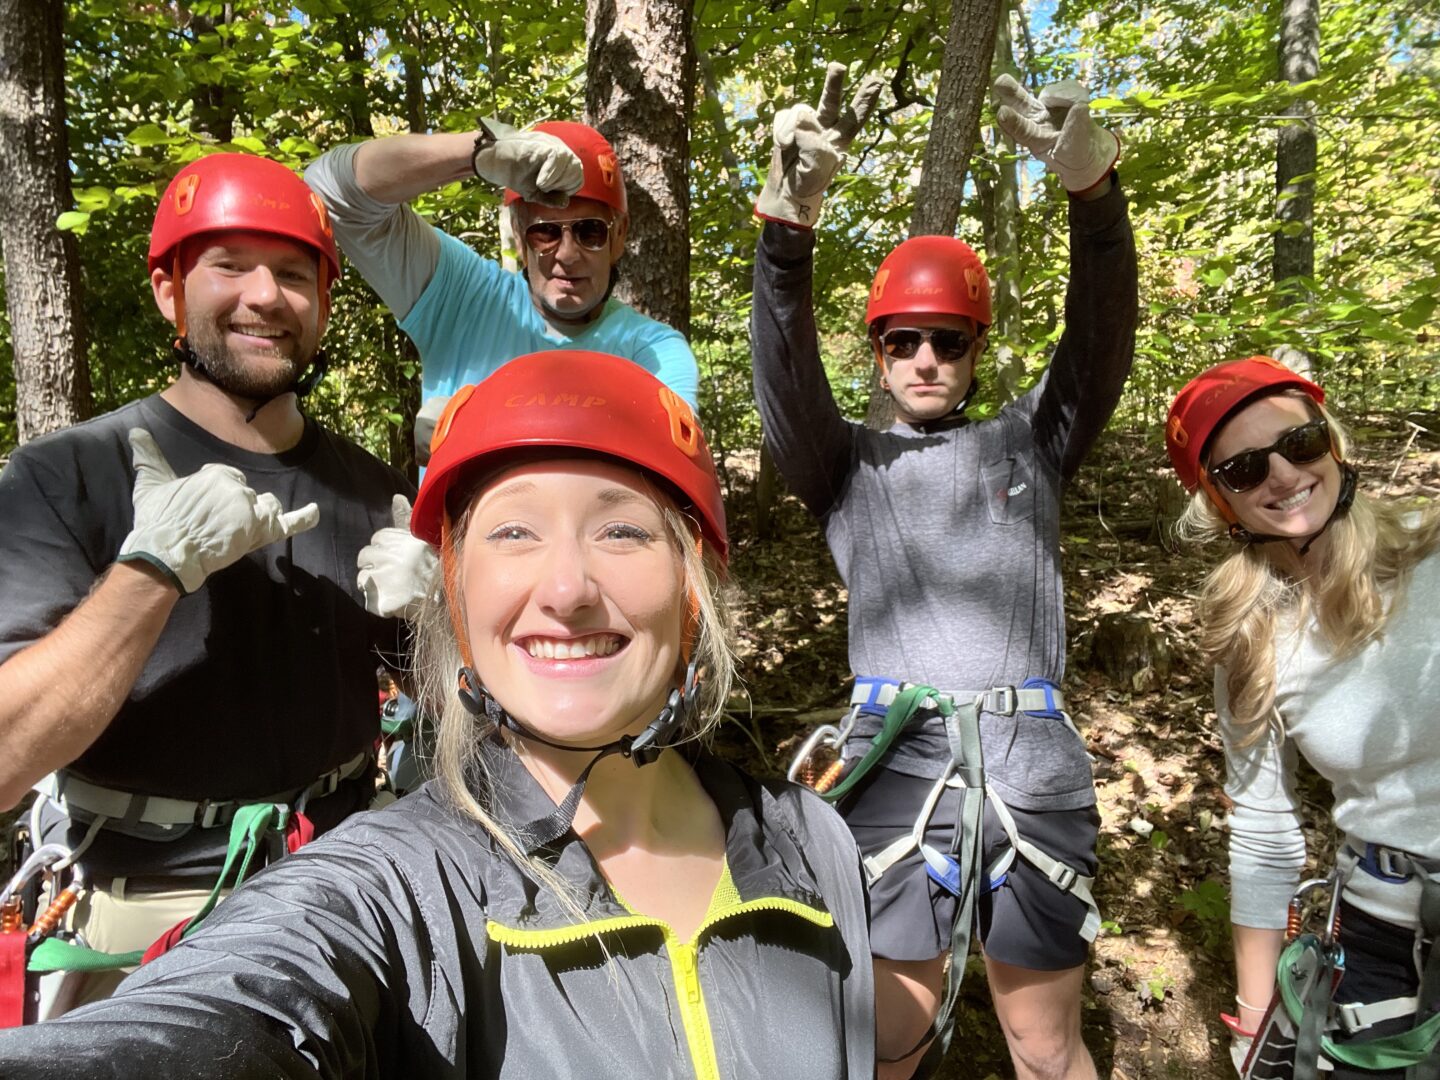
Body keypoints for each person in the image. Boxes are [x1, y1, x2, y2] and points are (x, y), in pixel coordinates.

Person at [0, 351, 876, 1077]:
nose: (567, 589)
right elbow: (221, 1017)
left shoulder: (815, 847)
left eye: (622, 530)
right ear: (458, 599)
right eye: (512, 533)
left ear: (695, 591)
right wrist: (147, 570)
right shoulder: (390, 895)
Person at [751, 64, 1137, 1078]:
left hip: (1031, 755)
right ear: (878, 355)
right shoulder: (846, 470)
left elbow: (1099, 342)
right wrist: (786, 236)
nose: (925, 358)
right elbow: (784, 385)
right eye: (903, 341)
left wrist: (1095, 198)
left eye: (947, 341)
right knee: (888, 1041)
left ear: (974, 351)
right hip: (893, 757)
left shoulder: (1033, 443)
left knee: (1045, 1047)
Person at [0, 152, 412, 1015]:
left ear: (325, 302)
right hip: (133, 918)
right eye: (228, 265)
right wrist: (151, 569)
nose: (265, 295)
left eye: (295, 273)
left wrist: (447, 623)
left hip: (341, 892)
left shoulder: (369, 489)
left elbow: (456, 713)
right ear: (168, 291)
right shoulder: (67, 477)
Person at [1165, 356, 1440, 1078]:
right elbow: (1262, 829)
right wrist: (1257, 1027)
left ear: (1334, 444)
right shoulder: (1250, 635)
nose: (1283, 476)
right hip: (1383, 938)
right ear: (1222, 503)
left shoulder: (1431, 550)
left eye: (1300, 443)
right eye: (1246, 469)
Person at [305, 118, 700, 460]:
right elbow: (329, 189)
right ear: (519, 237)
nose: (567, 254)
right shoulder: (461, 298)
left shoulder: (652, 351)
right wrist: (477, 153)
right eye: (544, 232)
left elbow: (672, 461)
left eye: (589, 232)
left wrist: (479, 425)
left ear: (619, 238)